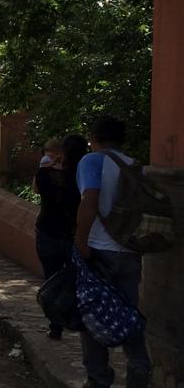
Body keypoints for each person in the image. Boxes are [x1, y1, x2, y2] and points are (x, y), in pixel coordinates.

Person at [75, 115, 151, 388]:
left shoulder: (91, 161)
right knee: (128, 314)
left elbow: (89, 201)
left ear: (93, 137)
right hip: (129, 251)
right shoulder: (134, 165)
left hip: (99, 250)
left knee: (93, 315)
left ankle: (98, 379)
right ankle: (139, 371)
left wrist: (80, 242)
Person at [34, 133, 88, 339]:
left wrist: (52, 164)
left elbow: (36, 189)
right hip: (73, 233)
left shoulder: (44, 174)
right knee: (78, 278)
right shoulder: (81, 178)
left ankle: (55, 325)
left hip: (47, 231)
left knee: (52, 277)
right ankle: (77, 319)